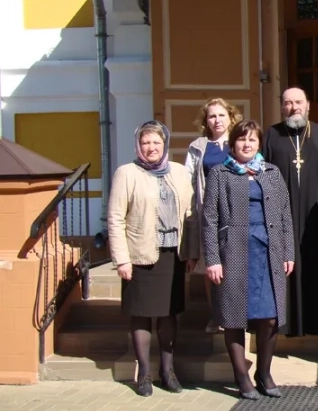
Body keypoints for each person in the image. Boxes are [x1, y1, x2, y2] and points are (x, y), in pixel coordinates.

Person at [202, 120, 295, 400]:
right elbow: (209, 219)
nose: (247, 144)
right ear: (233, 144)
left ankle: (263, 373)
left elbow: (284, 214)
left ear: (259, 144)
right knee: (234, 319)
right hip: (233, 252)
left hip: (269, 251)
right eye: (242, 140)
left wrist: (288, 252)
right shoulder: (220, 173)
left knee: (269, 317)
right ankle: (241, 377)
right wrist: (212, 259)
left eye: (252, 140)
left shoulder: (272, 172)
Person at [107, 120, 196, 397]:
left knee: (169, 314)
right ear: (138, 146)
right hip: (140, 255)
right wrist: (121, 259)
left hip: (173, 254)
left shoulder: (180, 172)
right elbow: (115, 217)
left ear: (165, 144)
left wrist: (192, 252)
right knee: (141, 315)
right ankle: (143, 374)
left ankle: (167, 371)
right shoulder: (126, 173)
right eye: (146, 142)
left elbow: (191, 215)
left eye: (156, 142)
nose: (151, 147)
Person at [263, 87, 318, 336]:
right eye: (288, 103)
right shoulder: (272, 135)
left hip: (315, 219)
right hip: (281, 217)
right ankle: (286, 322)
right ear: (282, 106)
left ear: (308, 105)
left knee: (316, 264)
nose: (293, 107)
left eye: (298, 102)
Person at [184, 98, 242, 334]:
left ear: (230, 117)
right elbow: (189, 181)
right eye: (212, 116)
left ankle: (238, 314)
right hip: (209, 213)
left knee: (237, 264)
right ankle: (216, 315)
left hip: (237, 212)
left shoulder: (240, 140)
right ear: (205, 121)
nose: (217, 120)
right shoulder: (198, 146)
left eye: (221, 115)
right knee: (213, 267)